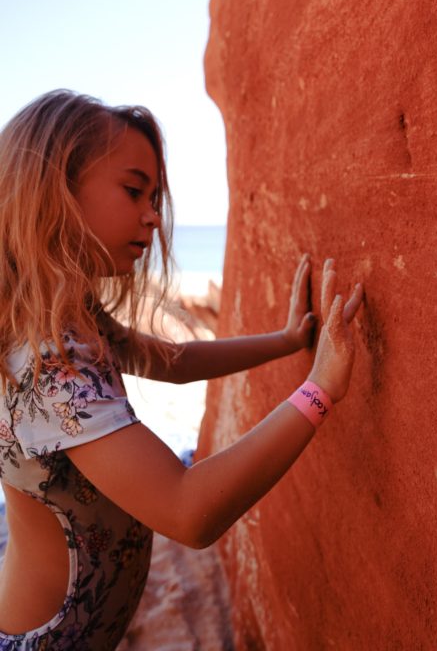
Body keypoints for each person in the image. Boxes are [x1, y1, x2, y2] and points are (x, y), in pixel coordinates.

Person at [0, 90, 364, 650]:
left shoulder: (66, 314)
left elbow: (171, 361)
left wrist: (288, 342)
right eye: (133, 190)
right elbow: (188, 512)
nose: (152, 215)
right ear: (56, 189)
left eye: (154, 196)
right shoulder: (52, 364)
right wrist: (320, 390)